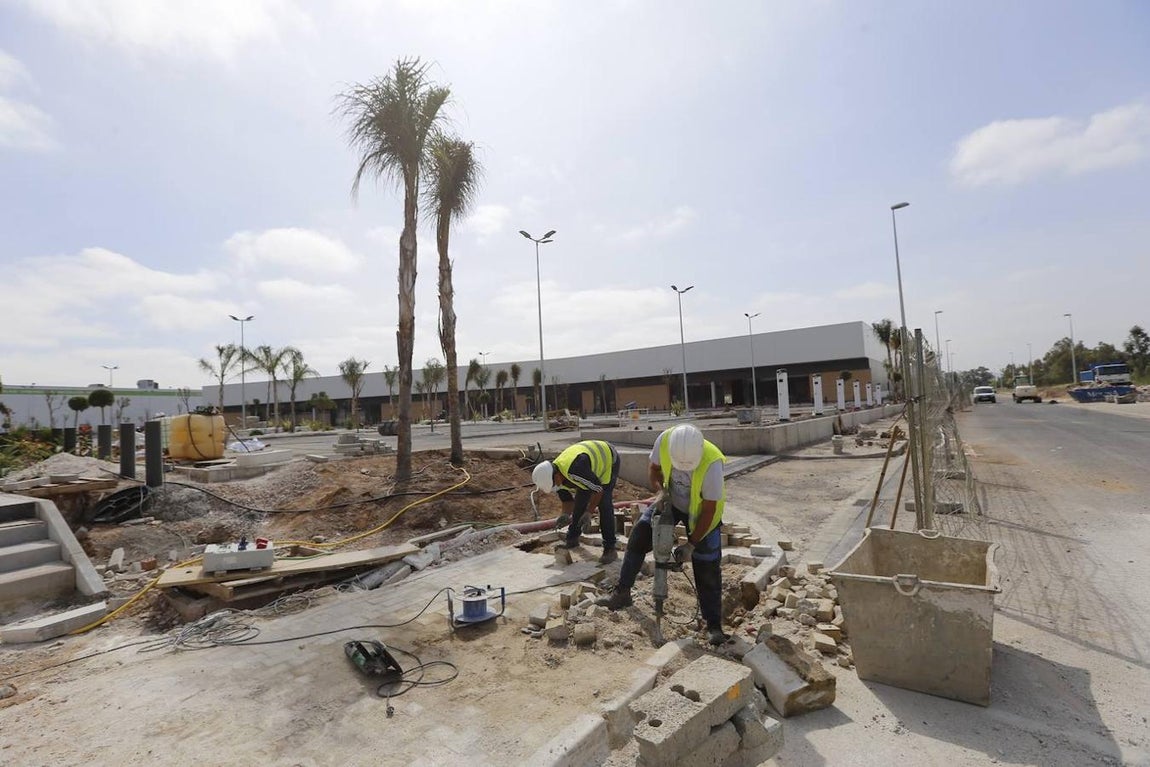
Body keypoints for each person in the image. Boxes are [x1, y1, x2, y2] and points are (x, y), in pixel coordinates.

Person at [597, 423, 730, 645]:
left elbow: (709, 508)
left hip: (702, 512)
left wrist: (691, 544)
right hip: (671, 501)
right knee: (639, 536)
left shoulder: (712, 462)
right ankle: (622, 593)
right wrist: (661, 491)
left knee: (706, 563)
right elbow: (654, 469)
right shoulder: (666, 440)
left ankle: (713, 625)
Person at [532, 439, 621, 564]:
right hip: (588, 470)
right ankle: (572, 538)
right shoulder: (555, 476)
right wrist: (565, 515)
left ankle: (610, 548)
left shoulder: (575, 470)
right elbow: (568, 501)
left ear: (556, 476)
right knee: (580, 501)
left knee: (604, 504)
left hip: (608, 460)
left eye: (553, 485)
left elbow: (598, 490)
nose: (554, 488)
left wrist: (589, 512)